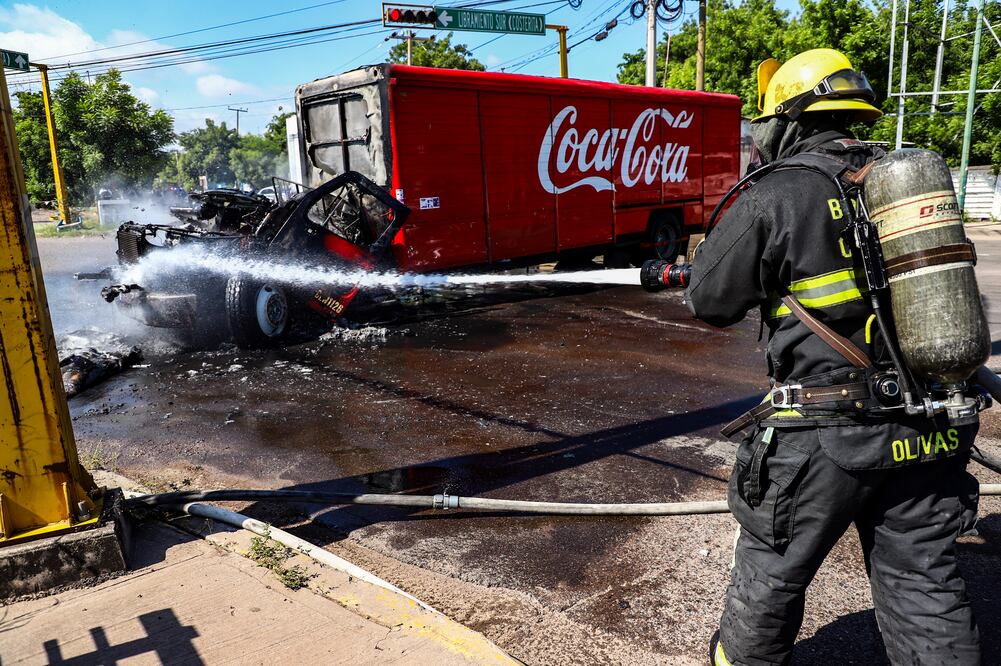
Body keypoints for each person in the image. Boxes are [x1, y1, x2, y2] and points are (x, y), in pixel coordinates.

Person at [684, 49, 981, 665]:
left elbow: (710, 301)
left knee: (769, 581)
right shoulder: (901, 183)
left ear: (788, 118)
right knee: (925, 588)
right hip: (924, 428)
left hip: (822, 434)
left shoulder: (779, 192)